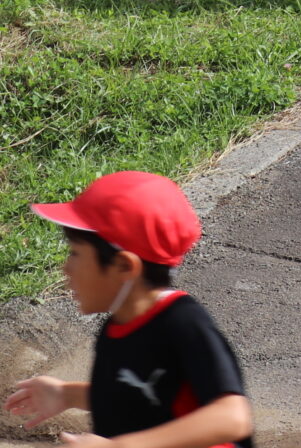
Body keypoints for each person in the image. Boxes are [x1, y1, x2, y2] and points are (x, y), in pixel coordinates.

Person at [5, 171, 256, 448]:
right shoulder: (116, 329)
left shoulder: (183, 323)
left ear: (125, 266)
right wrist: (67, 395)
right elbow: (137, 394)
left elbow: (233, 417)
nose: (66, 268)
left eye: (76, 253)